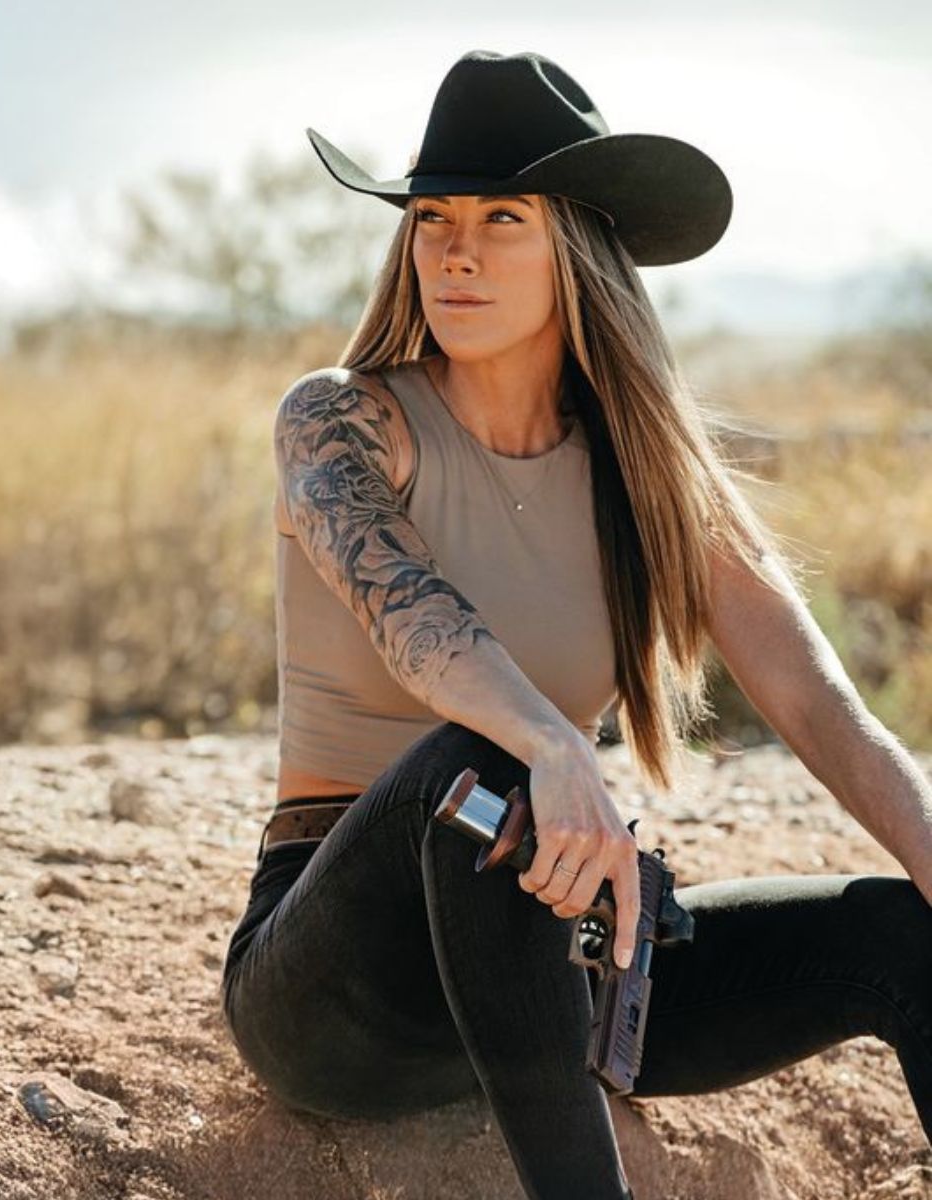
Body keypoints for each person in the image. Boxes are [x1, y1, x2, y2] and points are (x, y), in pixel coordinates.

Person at [217, 50, 932, 1200]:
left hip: (552, 959)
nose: (456, 248)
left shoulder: (648, 475)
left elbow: (814, 702)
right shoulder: (340, 420)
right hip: (338, 988)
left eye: (503, 216)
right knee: (478, 768)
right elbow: (415, 621)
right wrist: (555, 742)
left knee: (904, 935)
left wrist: (930, 844)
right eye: (433, 215)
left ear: (578, 248)